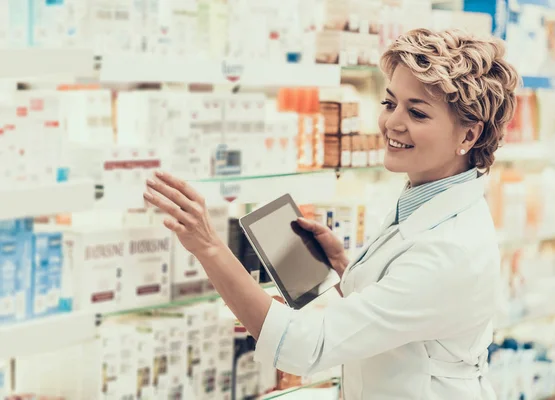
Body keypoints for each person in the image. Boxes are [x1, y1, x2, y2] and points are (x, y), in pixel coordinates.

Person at [143, 28, 519, 399]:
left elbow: (306, 348)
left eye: (417, 113)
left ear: (468, 136)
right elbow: (399, 313)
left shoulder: (449, 249)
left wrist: (209, 247)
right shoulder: (426, 199)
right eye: (390, 103)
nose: (392, 123)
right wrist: (343, 266)